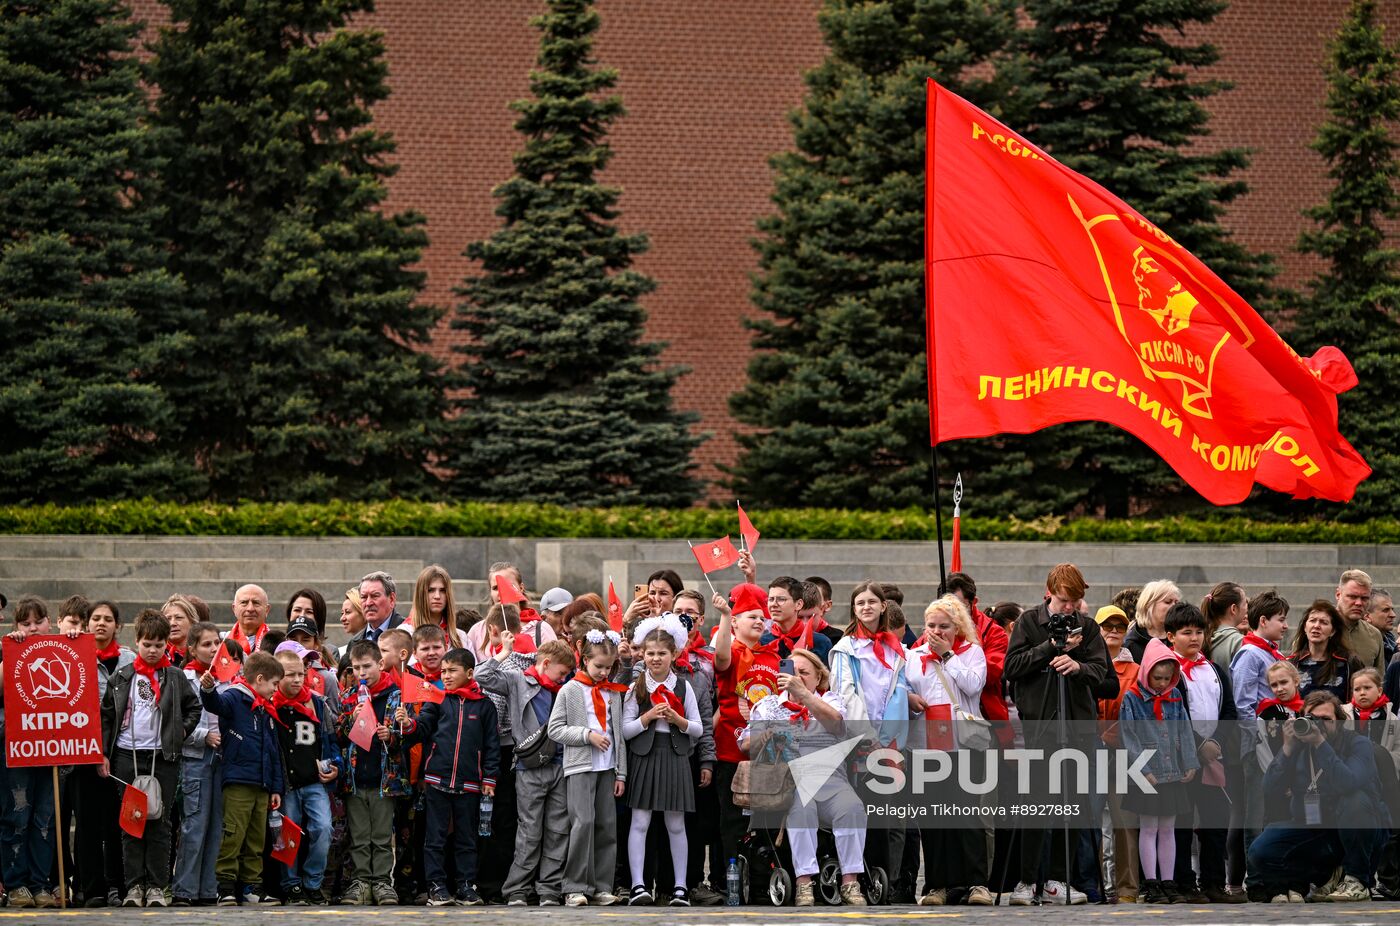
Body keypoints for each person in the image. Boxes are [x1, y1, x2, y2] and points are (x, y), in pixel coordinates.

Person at [1003, 564, 1108, 905]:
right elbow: (1011, 668)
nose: (1070, 607)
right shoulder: (1029, 622)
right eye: (1064, 600)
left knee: (1073, 804)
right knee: (1036, 805)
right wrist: (1050, 647)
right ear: (1049, 593)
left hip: (1077, 726)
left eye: (1075, 601)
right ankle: (1026, 881)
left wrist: (1077, 665)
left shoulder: (1087, 627)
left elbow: (1102, 673)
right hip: (1040, 725)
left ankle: (1058, 880)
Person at [739, 647, 866, 906]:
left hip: (831, 780)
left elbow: (836, 724)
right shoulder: (768, 705)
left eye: (804, 673)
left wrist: (804, 695)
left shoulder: (831, 700)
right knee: (801, 809)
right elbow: (744, 744)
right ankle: (804, 882)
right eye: (792, 672)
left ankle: (850, 882)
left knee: (852, 808)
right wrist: (766, 735)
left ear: (819, 677)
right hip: (790, 782)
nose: (797, 677)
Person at [98, 611, 201, 907]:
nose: (153, 650)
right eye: (147, 644)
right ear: (137, 642)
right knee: (132, 822)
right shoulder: (122, 677)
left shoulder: (175, 677)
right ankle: (133, 886)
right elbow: (107, 716)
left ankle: (157, 886)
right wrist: (103, 753)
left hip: (162, 756)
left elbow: (194, 708)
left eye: (158, 645)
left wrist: (180, 731)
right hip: (126, 755)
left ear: (167, 644)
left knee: (160, 821)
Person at [1247, 691, 1390, 903]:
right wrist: (1287, 748)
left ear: (1339, 721)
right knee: (1261, 850)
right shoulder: (1298, 746)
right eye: (1313, 718)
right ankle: (1323, 877)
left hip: (1361, 829)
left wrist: (1320, 743)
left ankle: (1357, 880)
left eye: (1326, 719)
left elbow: (1347, 782)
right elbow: (1270, 790)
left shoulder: (1358, 744)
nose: (1319, 724)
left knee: (1355, 799)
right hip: (1316, 828)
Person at [906, 595, 992, 906]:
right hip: (926, 744)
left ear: (957, 628)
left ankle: (977, 883)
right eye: (931, 625)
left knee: (967, 814)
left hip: (963, 744)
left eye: (944, 626)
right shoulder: (913, 656)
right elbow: (903, 690)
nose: (936, 631)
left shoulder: (972, 653)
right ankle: (937, 885)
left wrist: (948, 655)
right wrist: (908, 699)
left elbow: (973, 685)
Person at [396, 648, 500, 906]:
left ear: (470, 673)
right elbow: (422, 728)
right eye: (443, 671)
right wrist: (408, 723)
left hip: (470, 784)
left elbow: (492, 745)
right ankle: (436, 885)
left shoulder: (485, 705)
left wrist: (489, 778)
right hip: (437, 780)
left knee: (467, 839)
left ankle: (466, 885)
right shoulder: (437, 699)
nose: (446, 676)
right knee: (435, 838)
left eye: (453, 670)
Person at [477, 637, 576, 907]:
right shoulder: (517, 680)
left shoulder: (565, 688)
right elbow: (481, 676)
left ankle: (549, 888)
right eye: (561, 673)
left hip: (560, 765)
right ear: (546, 663)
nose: (563, 678)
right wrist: (504, 652)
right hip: (529, 766)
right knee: (529, 830)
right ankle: (517, 888)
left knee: (558, 830)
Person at [829, 580, 909, 879]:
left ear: (883, 606)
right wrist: (869, 738)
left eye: (872, 602)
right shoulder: (845, 648)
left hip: (889, 744)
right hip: (859, 742)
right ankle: (854, 876)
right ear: (853, 608)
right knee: (858, 810)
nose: (866, 607)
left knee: (883, 815)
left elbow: (898, 693)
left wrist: (888, 741)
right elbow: (846, 695)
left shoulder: (894, 648)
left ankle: (882, 879)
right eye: (860, 603)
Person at [1164, 602, 1241, 904]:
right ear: (1171, 636)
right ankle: (1184, 882)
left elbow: (1229, 710)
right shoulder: (1168, 672)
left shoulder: (1214, 670)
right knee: (1182, 824)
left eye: (1199, 632)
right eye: (1186, 632)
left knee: (1215, 821)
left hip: (1213, 757)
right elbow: (1174, 714)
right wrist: (1198, 744)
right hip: (1182, 759)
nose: (1194, 638)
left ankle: (1213, 882)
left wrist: (1216, 742)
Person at [622, 614, 701, 906]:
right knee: (640, 821)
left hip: (675, 756)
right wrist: (647, 718)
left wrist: (678, 720)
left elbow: (698, 728)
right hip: (645, 756)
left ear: (674, 655)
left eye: (662, 653)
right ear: (642, 654)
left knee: (676, 824)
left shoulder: (683, 686)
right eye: (650, 653)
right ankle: (638, 885)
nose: (655, 658)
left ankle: (680, 887)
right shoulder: (636, 687)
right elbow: (625, 730)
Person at [199, 651, 287, 906]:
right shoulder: (234, 697)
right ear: (259, 679)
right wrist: (207, 689)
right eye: (274, 684)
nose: (276, 690)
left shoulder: (266, 709)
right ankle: (225, 886)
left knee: (256, 838)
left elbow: (273, 752)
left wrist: (275, 787)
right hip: (238, 781)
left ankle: (252, 886)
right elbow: (215, 704)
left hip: (262, 784)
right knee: (233, 834)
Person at [548, 628, 628, 907]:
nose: (604, 672)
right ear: (584, 660)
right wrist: (586, 735)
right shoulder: (570, 690)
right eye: (599, 666)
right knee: (583, 824)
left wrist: (621, 772)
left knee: (607, 825)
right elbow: (555, 729)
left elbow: (618, 735)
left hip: (607, 768)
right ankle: (574, 886)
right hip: (580, 767)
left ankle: (602, 886)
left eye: (609, 667)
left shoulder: (612, 692)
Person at [1120, 639, 1198, 904]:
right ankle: (1151, 882)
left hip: (1172, 771)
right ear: (1146, 673)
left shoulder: (1174, 697)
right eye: (1157, 678)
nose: (1162, 683)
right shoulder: (1132, 698)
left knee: (1168, 828)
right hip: (1149, 773)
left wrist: (1190, 762)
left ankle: (1168, 881)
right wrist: (1143, 769)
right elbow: (1128, 736)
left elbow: (1185, 730)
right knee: (1148, 827)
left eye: (1167, 678)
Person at [335, 640, 410, 906]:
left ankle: (381, 882)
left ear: (380, 664)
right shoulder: (348, 696)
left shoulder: (396, 695)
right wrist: (351, 720)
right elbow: (339, 736)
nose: (361, 672)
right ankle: (361, 882)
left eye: (366, 666)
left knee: (381, 836)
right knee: (359, 836)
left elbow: (408, 735)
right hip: (355, 779)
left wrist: (392, 735)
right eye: (356, 668)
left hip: (384, 779)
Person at [711, 583, 779, 863]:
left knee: (767, 820)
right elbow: (720, 658)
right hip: (731, 750)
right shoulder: (733, 651)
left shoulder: (773, 656)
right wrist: (725, 616)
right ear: (736, 623)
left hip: (768, 752)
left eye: (762, 617)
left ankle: (763, 877)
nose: (759, 621)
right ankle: (731, 876)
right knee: (733, 819)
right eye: (752, 616)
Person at [0, 597, 60, 908]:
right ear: (16, 626)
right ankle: (16, 883)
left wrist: (72, 639)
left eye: (39, 622)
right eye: (26, 623)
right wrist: (12, 651)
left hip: (51, 748)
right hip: (18, 748)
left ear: (50, 623)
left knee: (45, 818)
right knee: (17, 816)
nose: (33, 628)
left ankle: (40, 883)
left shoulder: (62, 650)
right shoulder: (8, 649)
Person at [272, 648, 342, 905]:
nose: (297, 680)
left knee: (323, 828)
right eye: (290, 675)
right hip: (287, 785)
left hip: (314, 782)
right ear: (277, 676)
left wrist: (336, 765)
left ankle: (313, 883)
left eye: (301, 674)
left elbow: (331, 740)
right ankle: (291, 885)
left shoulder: (318, 704)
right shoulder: (270, 705)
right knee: (286, 835)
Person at [74, 599, 132, 907]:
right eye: (95, 618)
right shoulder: (73, 655)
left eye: (108, 619)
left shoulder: (130, 660)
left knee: (116, 822)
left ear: (117, 625)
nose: (101, 623)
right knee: (87, 824)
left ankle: (118, 886)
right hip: (84, 751)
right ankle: (92, 888)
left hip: (120, 752)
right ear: (87, 624)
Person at [669, 590, 722, 906]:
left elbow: (713, 707)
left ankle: (692, 882)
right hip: (660, 750)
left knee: (695, 821)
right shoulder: (658, 652)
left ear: (701, 619)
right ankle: (665, 884)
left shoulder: (707, 660)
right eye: (678, 610)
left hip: (695, 745)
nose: (683, 616)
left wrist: (706, 757)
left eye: (689, 612)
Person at [173, 622, 225, 906]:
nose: (214, 649)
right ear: (192, 649)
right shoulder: (183, 678)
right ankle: (185, 888)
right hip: (195, 758)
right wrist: (203, 736)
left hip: (223, 758)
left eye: (217, 643)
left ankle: (207, 889)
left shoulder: (227, 676)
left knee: (216, 826)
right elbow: (175, 721)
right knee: (194, 825)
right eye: (206, 644)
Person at [1095, 605, 1140, 903]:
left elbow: (1135, 712)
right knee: (1091, 822)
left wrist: (1112, 735)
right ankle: (1094, 885)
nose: (1114, 630)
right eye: (1107, 625)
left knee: (1124, 823)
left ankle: (1127, 887)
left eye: (1120, 626)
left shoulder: (1135, 671)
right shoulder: (1088, 665)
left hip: (1121, 753)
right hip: (1089, 751)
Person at [1290, 600, 1361, 701]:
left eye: (1324, 622)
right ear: (1305, 627)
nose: (1316, 626)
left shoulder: (1349, 662)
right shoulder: (1293, 663)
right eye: (1312, 620)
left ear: (1333, 631)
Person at [760, 576, 833, 664]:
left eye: (781, 599)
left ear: (798, 604)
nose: (774, 604)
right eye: (771, 599)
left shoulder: (820, 642)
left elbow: (825, 673)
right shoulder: (761, 642)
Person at [1344, 668, 1400, 777]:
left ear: (1379, 691)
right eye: (1357, 689)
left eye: (1367, 688)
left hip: (1382, 775)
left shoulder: (1392, 719)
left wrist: (1383, 760)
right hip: (1352, 774)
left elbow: (1398, 749)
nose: (1362, 693)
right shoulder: (1343, 715)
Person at [1333, 569, 1386, 673]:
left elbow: (1378, 679)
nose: (1358, 603)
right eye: (1352, 597)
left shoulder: (1374, 635)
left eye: (1364, 598)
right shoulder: (1317, 628)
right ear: (1338, 595)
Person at [408, 564, 468, 648]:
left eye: (443, 591)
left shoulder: (461, 637)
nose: (437, 596)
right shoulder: (406, 633)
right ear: (420, 594)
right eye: (430, 590)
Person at [1125, 580, 1181, 663]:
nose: (1174, 606)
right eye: (1168, 602)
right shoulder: (1131, 644)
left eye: (1176, 602)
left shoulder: (1182, 637)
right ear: (1148, 605)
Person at [1202, 582, 1248, 675]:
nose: (1247, 608)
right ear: (1233, 609)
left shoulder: (1203, 636)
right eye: (1245, 603)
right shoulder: (1240, 641)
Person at [228, 584, 272, 653]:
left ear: (267, 610)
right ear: (234, 609)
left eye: (256, 603)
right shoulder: (220, 642)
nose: (250, 609)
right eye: (244, 602)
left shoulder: (277, 644)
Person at [162, 594, 199, 666]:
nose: (172, 623)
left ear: (192, 621)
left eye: (178, 618)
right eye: (168, 619)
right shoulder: (157, 656)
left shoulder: (204, 654)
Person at [1365, 588, 1396, 667]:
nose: (1393, 615)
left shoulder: (1391, 641)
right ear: (1367, 616)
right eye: (1386, 610)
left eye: (1392, 609)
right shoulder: (1363, 646)